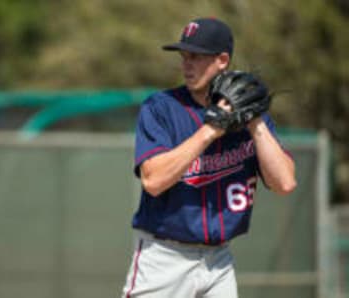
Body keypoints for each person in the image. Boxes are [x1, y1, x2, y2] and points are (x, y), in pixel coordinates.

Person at [121, 17, 296, 298]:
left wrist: (255, 122)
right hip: (165, 258)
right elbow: (153, 180)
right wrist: (210, 131)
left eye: (196, 57)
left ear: (222, 59)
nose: (186, 64)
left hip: (219, 261)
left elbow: (285, 183)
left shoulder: (249, 115)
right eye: (184, 56)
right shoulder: (161, 108)